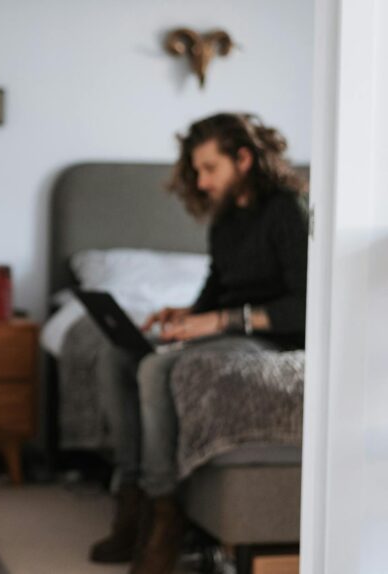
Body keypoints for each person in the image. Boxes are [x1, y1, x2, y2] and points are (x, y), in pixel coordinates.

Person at [88, 113, 308, 574]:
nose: (202, 181)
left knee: (155, 369)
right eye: (197, 171)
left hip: (273, 340)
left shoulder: (286, 210)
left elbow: (303, 304)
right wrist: (186, 315)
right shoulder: (226, 220)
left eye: (210, 168)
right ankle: (130, 503)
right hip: (229, 330)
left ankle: (163, 513)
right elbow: (216, 287)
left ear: (244, 159)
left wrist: (221, 320)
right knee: (119, 354)